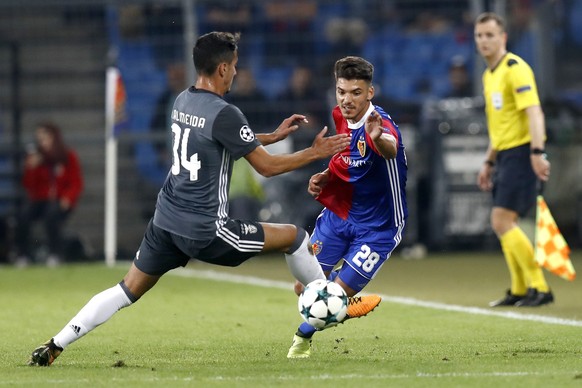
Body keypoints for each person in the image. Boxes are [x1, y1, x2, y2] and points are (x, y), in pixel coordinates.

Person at [27, 32, 380, 367]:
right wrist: (312, 152)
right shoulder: (225, 112)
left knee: (126, 289)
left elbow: (221, 138)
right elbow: (267, 168)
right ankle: (329, 304)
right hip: (207, 229)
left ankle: (56, 343)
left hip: (166, 221)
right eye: (235, 65)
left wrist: (271, 135)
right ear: (223, 68)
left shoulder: (184, 100)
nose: (237, 72)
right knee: (296, 237)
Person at [287, 56, 407, 358]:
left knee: (334, 294)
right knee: (303, 289)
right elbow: (347, 156)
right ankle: (343, 303)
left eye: (355, 92)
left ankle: (304, 335)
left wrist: (378, 138)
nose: (347, 99)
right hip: (339, 217)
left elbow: (389, 149)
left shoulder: (380, 124)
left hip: (377, 228)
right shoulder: (340, 116)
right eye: (342, 91)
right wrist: (326, 175)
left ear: (370, 92)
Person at [474, 12, 553, 307]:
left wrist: (537, 152)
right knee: (505, 222)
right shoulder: (489, 75)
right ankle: (520, 289)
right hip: (505, 154)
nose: (484, 40)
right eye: (480, 35)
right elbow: (500, 126)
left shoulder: (515, 68)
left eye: (490, 35)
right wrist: (489, 161)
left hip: (522, 152)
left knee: (501, 220)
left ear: (503, 37)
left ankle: (540, 287)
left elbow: (534, 112)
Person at [14, 122, 83, 268]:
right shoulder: (36, 159)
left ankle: (55, 254)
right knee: (23, 215)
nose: (42, 142)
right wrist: (31, 168)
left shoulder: (67, 157)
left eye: (45, 138)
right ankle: (22, 255)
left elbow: (76, 182)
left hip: (59, 200)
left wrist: (68, 198)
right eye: (39, 139)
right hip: (40, 200)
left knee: (51, 215)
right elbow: (28, 185)